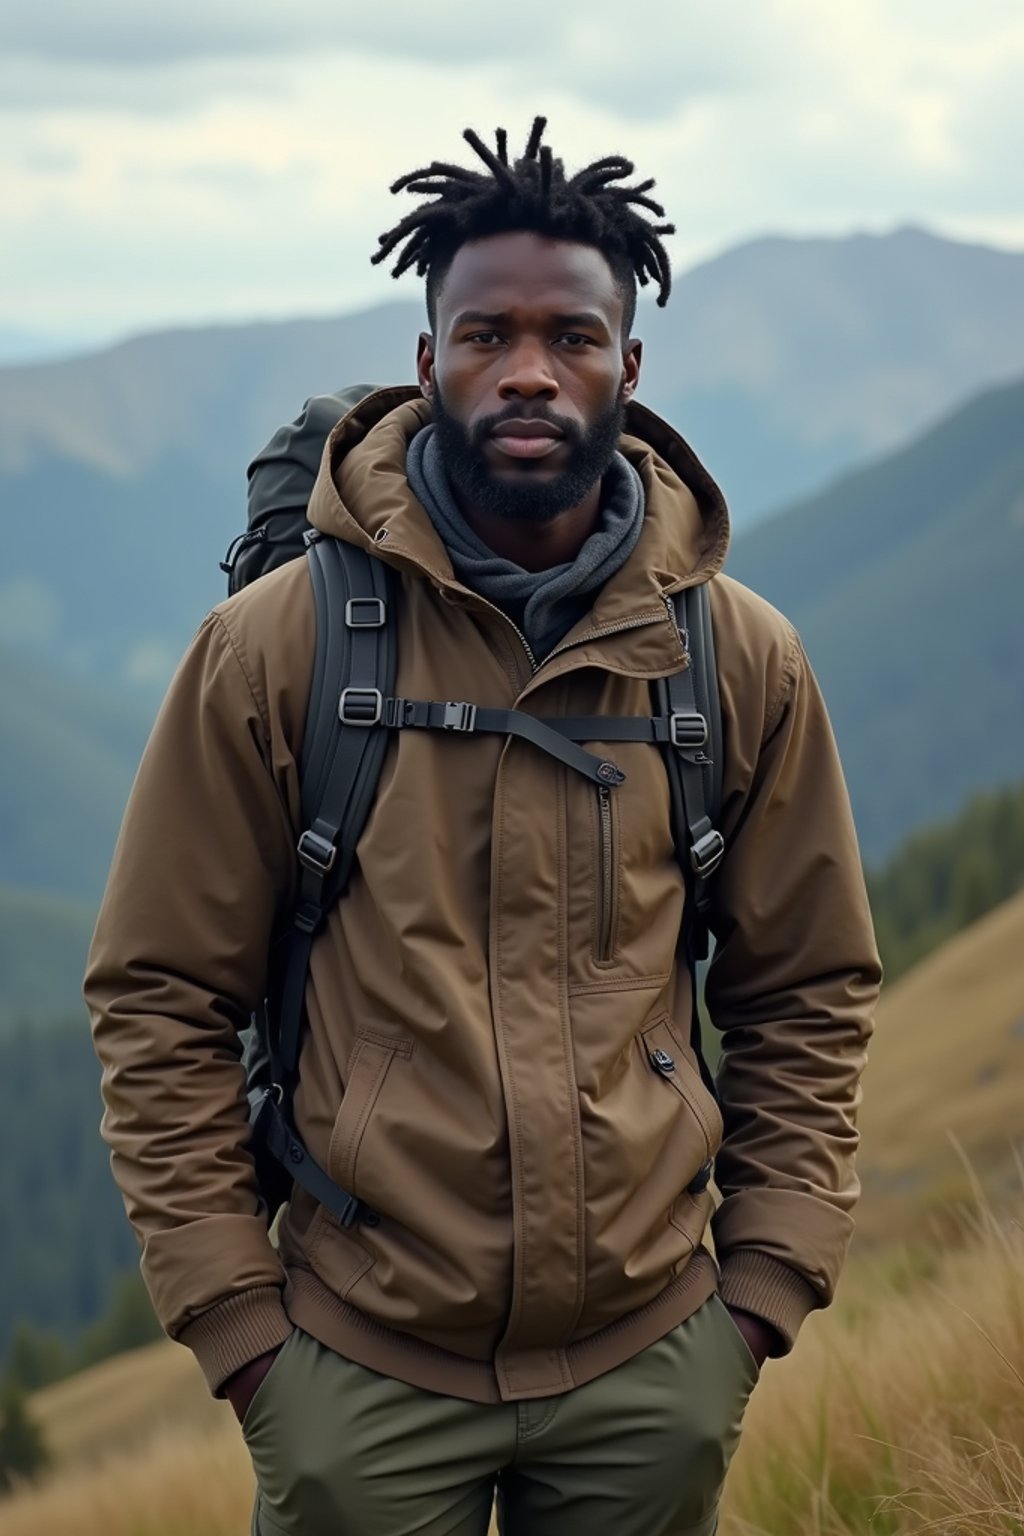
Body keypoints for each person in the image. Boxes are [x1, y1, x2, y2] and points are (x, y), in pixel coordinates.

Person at [85, 118, 881, 1536]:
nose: (528, 368)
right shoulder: (277, 650)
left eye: (572, 335)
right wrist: (244, 1334)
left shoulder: (737, 660)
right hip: (356, 1368)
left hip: (654, 1365)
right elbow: (159, 994)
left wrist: (757, 1294)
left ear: (629, 368)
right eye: (485, 333)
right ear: (427, 360)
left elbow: (808, 988)